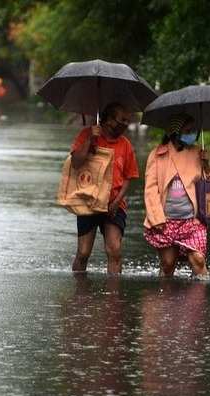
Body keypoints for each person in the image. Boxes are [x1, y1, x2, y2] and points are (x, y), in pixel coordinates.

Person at [70, 102, 139, 274]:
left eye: (127, 121)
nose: (124, 124)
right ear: (108, 119)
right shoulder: (87, 134)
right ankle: (79, 296)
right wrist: (89, 141)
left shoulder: (126, 145)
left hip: (114, 205)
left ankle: (113, 298)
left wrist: (116, 202)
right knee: (83, 253)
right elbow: (76, 163)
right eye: (121, 120)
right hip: (88, 202)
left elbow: (128, 177)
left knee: (114, 251)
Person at [143, 113, 210, 277]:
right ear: (175, 132)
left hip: (192, 221)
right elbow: (150, 189)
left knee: (198, 260)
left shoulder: (197, 153)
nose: (192, 134)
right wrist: (156, 217)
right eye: (187, 130)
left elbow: (209, 183)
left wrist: (206, 164)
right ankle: (165, 300)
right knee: (168, 264)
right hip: (165, 221)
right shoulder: (157, 154)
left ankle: (199, 301)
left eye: (193, 130)